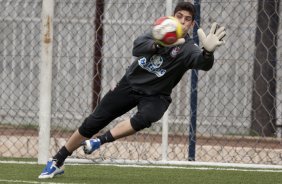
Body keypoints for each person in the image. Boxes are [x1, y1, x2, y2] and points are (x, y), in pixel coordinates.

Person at [38, 1, 226, 179]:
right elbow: (137, 47)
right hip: (130, 84)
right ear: (172, 18)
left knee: (147, 116)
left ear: (192, 25)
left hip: (156, 95)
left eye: (187, 19)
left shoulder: (188, 48)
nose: (183, 21)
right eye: (179, 16)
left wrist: (208, 52)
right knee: (91, 123)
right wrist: (159, 44)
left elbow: (203, 63)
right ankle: (57, 160)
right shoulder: (158, 33)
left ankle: (99, 141)